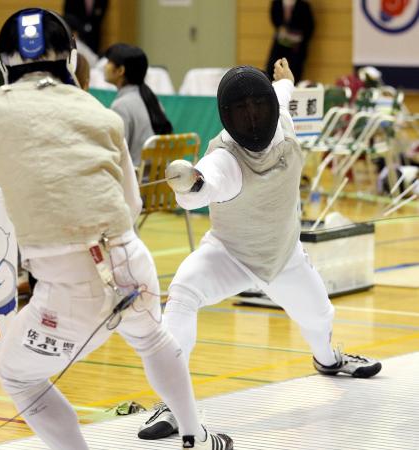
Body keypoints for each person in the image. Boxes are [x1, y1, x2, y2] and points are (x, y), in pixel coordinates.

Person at [0, 8, 232, 450]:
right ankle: (197, 436)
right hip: (133, 261)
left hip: (68, 283)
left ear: (5, 64)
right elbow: (131, 203)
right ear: (71, 59)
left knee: (17, 373)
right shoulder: (100, 111)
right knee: (153, 338)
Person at [138, 59, 382, 440]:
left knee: (320, 317)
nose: (252, 116)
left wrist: (285, 82)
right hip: (229, 255)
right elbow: (205, 185)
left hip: (284, 257)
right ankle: (173, 403)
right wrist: (190, 185)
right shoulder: (224, 158)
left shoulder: (282, 119)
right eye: (241, 110)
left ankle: (329, 361)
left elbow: (281, 96)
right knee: (183, 291)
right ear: (226, 116)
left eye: (258, 105)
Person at [104, 43, 173, 167]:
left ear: (120, 70)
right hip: (159, 181)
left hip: (136, 182)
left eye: (109, 62)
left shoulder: (120, 106)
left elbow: (118, 154)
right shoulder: (151, 98)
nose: (105, 66)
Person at [266, 0, 315, 83]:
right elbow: (275, 21)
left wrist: (295, 37)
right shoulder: (276, 3)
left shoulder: (304, 6)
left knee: (294, 74)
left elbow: (309, 27)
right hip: (279, 46)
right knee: (272, 71)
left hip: (297, 48)